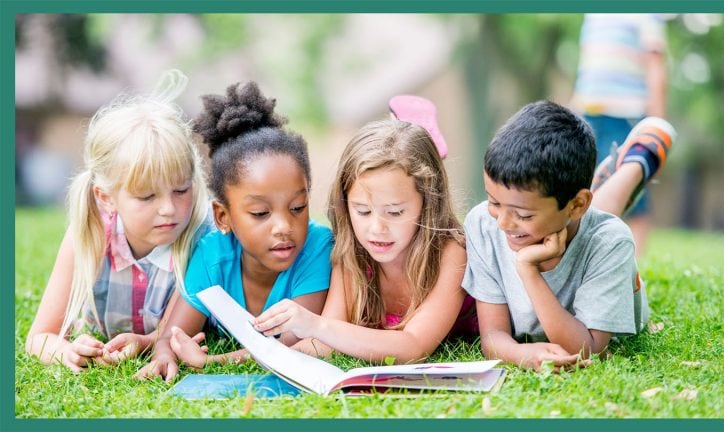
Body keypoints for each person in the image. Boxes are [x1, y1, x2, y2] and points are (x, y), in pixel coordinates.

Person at [135, 81, 333, 382]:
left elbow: (288, 344)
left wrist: (212, 361)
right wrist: (164, 355)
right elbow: (172, 334)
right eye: (260, 213)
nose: (283, 227)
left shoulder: (317, 247)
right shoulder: (212, 254)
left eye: (297, 208)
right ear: (223, 216)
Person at [463, 100, 676, 371]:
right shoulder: (483, 224)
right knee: (588, 216)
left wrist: (528, 270)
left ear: (576, 204)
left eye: (523, 215)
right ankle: (608, 181)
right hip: (574, 210)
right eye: (494, 202)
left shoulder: (610, 242)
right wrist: (520, 354)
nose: (503, 223)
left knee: (597, 224)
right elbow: (493, 336)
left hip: (587, 222)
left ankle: (637, 162)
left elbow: (588, 349)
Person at [25, 70, 212, 373]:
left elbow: (172, 336)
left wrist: (147, 341)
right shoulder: (90, 233)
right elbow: (40, 337)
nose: (168, 209)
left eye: (181, 190)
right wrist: (67, 352)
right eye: (147, 197)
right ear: (106, 197)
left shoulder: (200, 239)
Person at [251, 118, 473, 364]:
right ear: (346, 205)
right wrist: (243, 357)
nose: (377, 228)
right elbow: (325, 342)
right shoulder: (352, 253)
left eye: (395, 212)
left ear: (428, 203)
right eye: (363, 211)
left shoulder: (450, 252)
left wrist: (316, 325)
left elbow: (414, 346)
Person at [571, 13, 669, 255]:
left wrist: (655, 121)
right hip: (589, 112)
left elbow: (655, 67)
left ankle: (636, 258)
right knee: (587, 183)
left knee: (630, 180)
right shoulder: (594, 16)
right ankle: (590, 253)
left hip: (626, 112)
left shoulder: (646, 15)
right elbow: (587, 68)